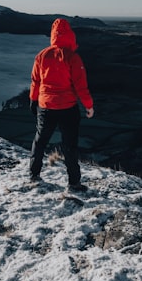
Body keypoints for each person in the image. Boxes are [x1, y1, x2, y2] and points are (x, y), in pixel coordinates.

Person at [29, 18, 95, 191]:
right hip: (67, 108)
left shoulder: (42, 55)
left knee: (40, 140)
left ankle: (33, 175)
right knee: (70, 145)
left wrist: (33, 100)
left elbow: (35, 81)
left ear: (53, 35)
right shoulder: (73, 57)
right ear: (70, 36)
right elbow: (81, 86)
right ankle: (74, 183)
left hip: (45, 106)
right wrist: (89, 106)